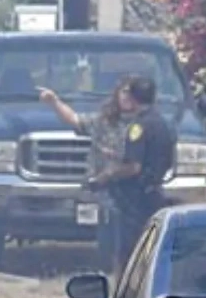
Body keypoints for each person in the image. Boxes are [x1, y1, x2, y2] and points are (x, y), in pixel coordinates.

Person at [39, 76, 138, 273]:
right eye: (124, 91)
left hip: (134, 189)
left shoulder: (145, 123)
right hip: (105, 188)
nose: (127, 97)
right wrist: (54, 102)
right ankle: (107, 269)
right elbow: (76, 120)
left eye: (132, 93)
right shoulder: (104, 121)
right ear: (117, 93)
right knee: (107, 228)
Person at [86, 76, 174, 270]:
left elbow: (134, 167)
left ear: (133, 98)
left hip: (135, 201)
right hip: (155, 194)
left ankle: (124, 296)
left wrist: (105, 176)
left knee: (127, 255)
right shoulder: (162, 124)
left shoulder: (138, 126)